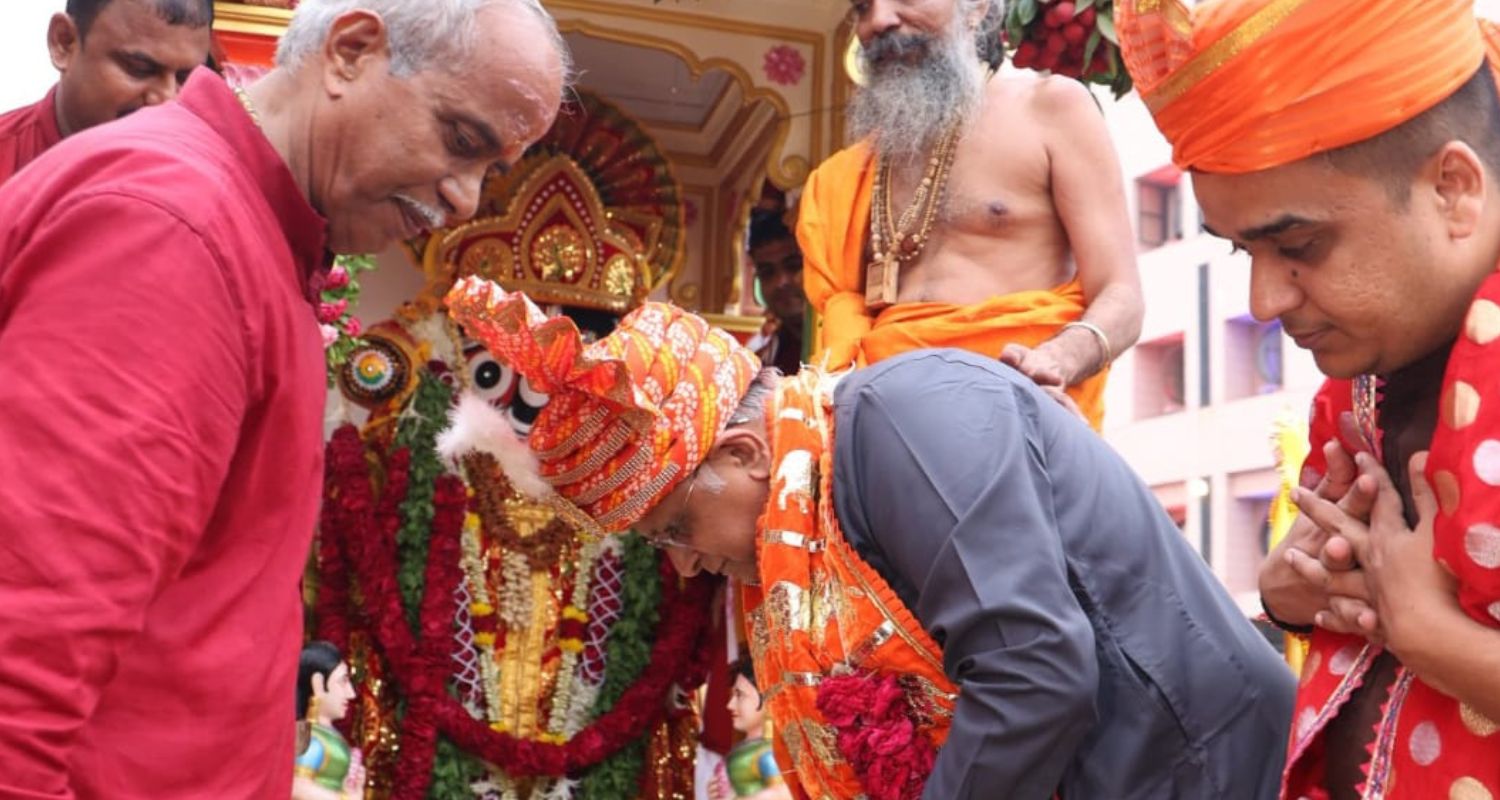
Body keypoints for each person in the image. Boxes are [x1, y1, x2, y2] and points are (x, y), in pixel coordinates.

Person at [0, 0, 569, 795]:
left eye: (491, 170)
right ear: (351, 51)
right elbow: (23, 658)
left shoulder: (257, 227)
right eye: (462, 140)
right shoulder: (177, 230)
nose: (467, 198)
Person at [440, 278, 1295, 800]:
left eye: (677, 529)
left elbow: (1035, 674)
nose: (692, 562)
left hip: (1192, 767)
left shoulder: (907, 421)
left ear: (742, 453)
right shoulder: (811, 494)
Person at [1117, 1, 1500, 798]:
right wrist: (1290, 591)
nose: (1263, 299)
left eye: (1298, 247)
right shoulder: (1362, 381)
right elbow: (1319, 581)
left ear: (1454, 189)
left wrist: (1435, 639)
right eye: (1243, 250)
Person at [799, 0, 1142, 429]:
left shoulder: (1051, 108)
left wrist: (1056, 360)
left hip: (1012, 420)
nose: (879, 20)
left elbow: (1122, 297)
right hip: (879, 432)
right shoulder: (849, 172)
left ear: (978, 7)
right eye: (863, 7)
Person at [0, 0, 214, 185]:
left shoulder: (209, 182)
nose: (168, 99)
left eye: (185, 78)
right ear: (64, 42)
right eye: (139, 69)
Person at [708, 657, 792, 800]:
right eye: (732, 695)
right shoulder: (749, 749)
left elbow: (784, 794)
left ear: (768, 698)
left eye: (740, 695)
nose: (730, 705)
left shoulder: (772, 751)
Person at [295, 641, 366, 800]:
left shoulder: (330, 735)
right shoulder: (303, 732)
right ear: (318, 684)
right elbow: (297, 787)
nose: (351, 693)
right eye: (343, 682)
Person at [746, 208, 807, 376]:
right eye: (767, 272)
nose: (781, 282)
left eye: (793, 266)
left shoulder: (852, 343)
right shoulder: (761, 364)